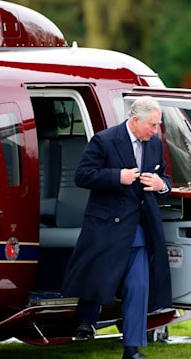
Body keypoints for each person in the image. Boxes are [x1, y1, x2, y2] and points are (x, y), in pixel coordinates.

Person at [61, 96, 172, 359]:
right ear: (135, 121)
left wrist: (161, 185)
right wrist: (116, 176)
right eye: (152, 125)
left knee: (138, 287)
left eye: (157, 125)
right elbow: (82, 175)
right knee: (98, 279)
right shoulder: (104, 140)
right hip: (107, 227)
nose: (155, 131)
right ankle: (85, 319)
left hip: (139, 230)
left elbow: (164, 177)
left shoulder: (154, 145)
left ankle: (132, 349)